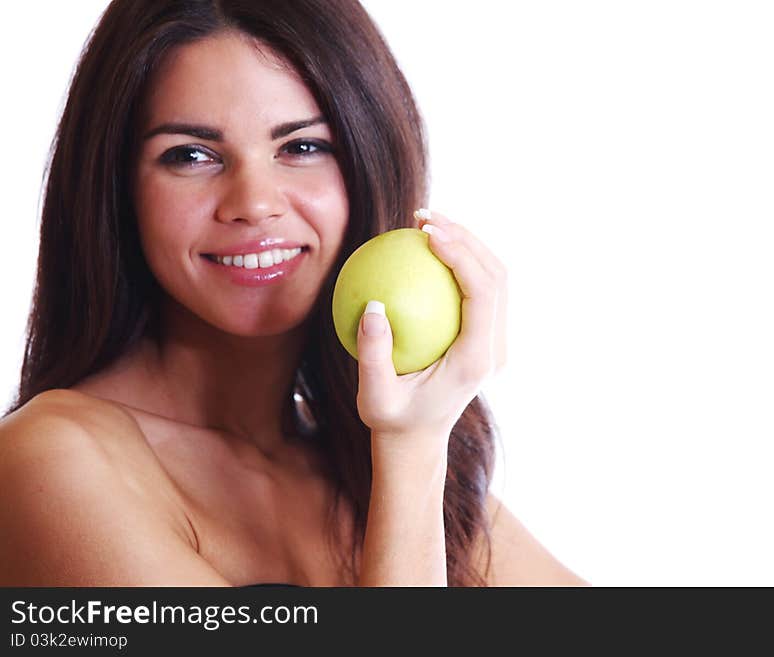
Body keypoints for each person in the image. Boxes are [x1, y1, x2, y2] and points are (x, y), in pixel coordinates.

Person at [0, 0, 588, 587]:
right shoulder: (53, 461)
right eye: (191, 155)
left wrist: (414, 447)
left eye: (302, 147)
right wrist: (411, 452)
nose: (254, 203)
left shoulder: (365, 463)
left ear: (366, 162)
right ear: (117, 190)